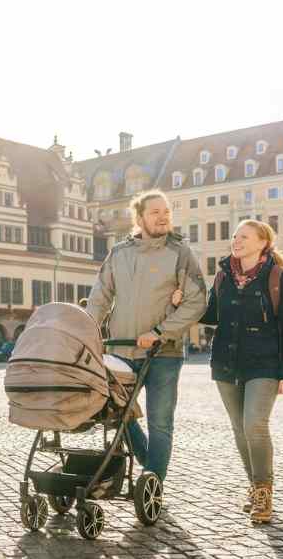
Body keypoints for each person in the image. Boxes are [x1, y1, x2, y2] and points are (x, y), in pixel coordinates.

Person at [85, 189, 207, 488]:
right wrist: (86, 330)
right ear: (139, 218)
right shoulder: (119, 253)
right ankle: (148, 472)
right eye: (155, 212)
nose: (163, 217)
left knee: (160, 422)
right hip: (121, 351)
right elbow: (100, 297)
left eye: (166, 211)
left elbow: (197, 300)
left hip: (164, 352)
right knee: (118, 415)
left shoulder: (180, 252)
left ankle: (153, 482)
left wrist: (158, 333)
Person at [200, 219, 283, 525]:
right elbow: (211, 315)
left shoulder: (278, 278)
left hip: (265, 364)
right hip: (226, 364)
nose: (236, 240)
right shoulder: (223, 276)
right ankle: (254, 485)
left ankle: (263, 491)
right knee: (238, 428)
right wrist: (183, 301)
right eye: (234, 236)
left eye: (244, 236)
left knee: (254, 425)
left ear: (263, 242)